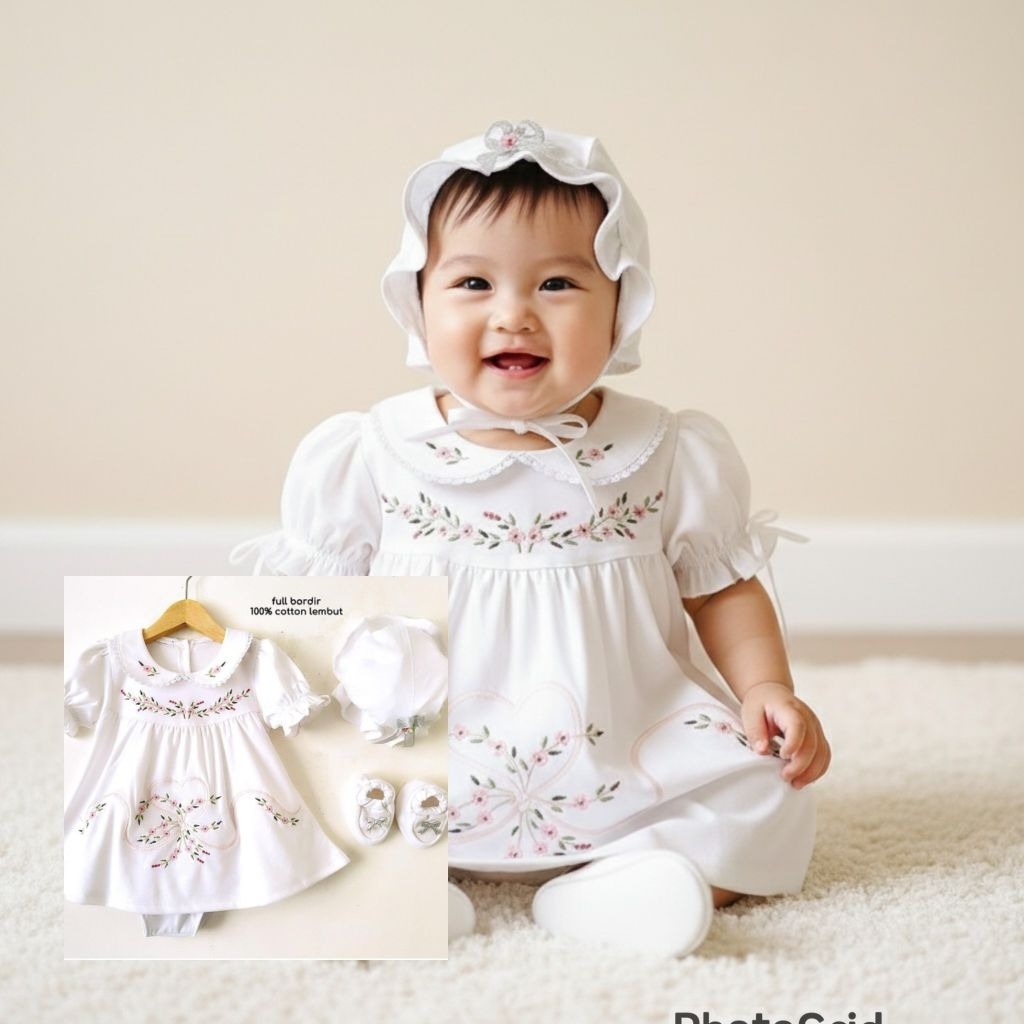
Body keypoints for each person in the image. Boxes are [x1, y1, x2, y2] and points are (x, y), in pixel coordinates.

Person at [233, 119, 831, 958]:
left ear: (622, 304)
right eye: (473, 282)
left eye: (556, 283)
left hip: (625, 742)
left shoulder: (664, 450)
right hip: (425, 751)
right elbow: (316, 608)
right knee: (276, 778)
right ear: (418, 302)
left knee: (767, 789)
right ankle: (403, 885)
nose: (513, 314)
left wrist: (767, 688)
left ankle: (619, 886)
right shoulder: (372, 452)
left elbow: (722, 588)